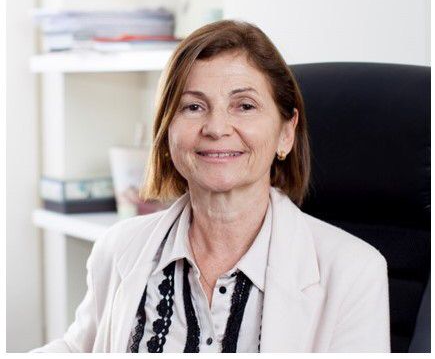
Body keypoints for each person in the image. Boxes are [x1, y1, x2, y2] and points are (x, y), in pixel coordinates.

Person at [31, 20, 390, 353]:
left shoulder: (353, 273)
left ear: (286, 132)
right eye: (193, 107)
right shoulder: (120, 248)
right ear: (167, 130)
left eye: (244, 106)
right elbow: (77, 349)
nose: (217, 128)